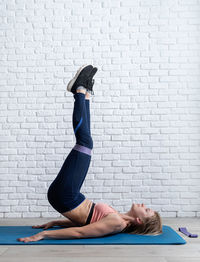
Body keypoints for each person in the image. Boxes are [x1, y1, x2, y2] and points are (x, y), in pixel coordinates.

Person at [18, 65, 162, 243]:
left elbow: (81, 233)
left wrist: (43, 235)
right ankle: (85, 93)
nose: (144, 205)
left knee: (85, 143)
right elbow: (83, 223)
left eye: (147, 210)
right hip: (67, 197)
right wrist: (55, 222)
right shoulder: (119, 218)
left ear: (139, 221)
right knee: (86, 143)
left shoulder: (117, 223)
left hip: (66, 196)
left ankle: (79, 90)